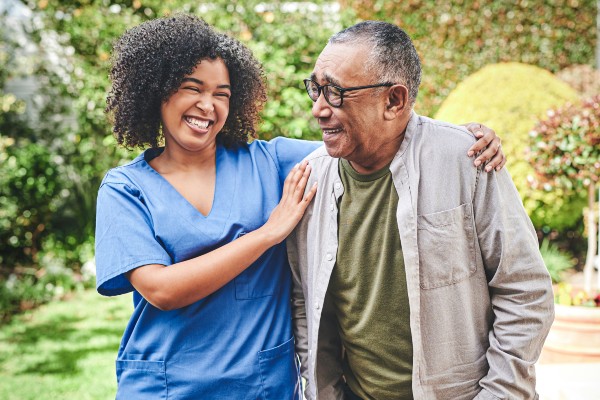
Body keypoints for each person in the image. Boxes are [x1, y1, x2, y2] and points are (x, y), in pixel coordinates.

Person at [94, 14, 505, 399]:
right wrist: (268, 233)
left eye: (222, 93)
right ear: (156, 90)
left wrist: (460, 136)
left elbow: (370, 134)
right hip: (168, 387)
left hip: (262, 385)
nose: (209, 105)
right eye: (193, 88)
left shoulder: (271, 162)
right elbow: (161, 289)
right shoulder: (126, 188)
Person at [287, 21, 555, 400]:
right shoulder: (309, 179)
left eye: (335, 92)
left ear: (394, 101)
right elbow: (305, 301)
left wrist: (501, 393)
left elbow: (525, 289)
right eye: (316, 88)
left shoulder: (468, 160)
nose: (318, 109)